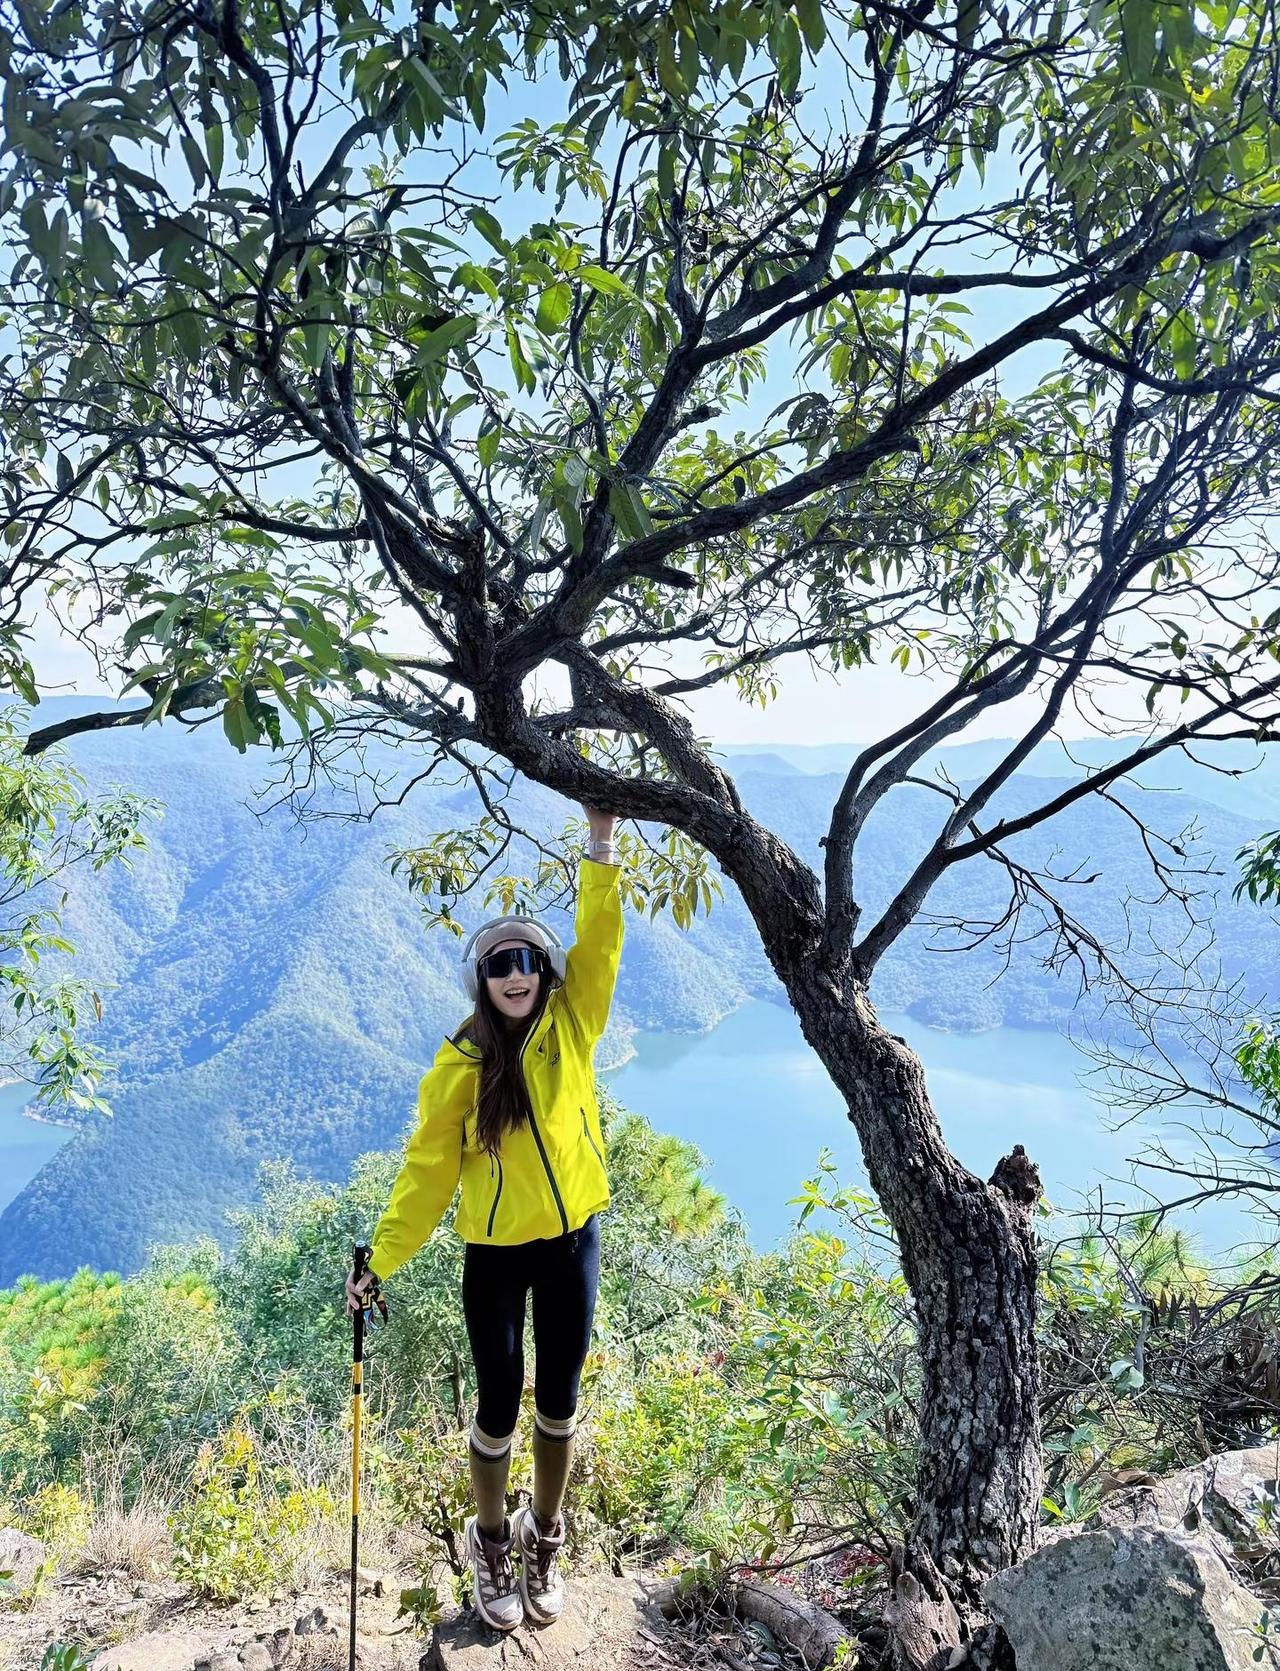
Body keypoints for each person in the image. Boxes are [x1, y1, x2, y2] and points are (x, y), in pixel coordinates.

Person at [345, 804, 623, 1633]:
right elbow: (426, 1175)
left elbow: (601, 943)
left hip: (571, 1243)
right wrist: (380, 1260)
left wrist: (601, 840)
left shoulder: (574, 1025)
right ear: (483, 979)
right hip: (495, 1255)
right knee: (500, 1401)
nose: (515, 974)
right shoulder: (462, 1064)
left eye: (527, 960)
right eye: (500, 964)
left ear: (545, 969)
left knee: (560, 1399)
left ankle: (546, 1534)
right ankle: (492, 1539)